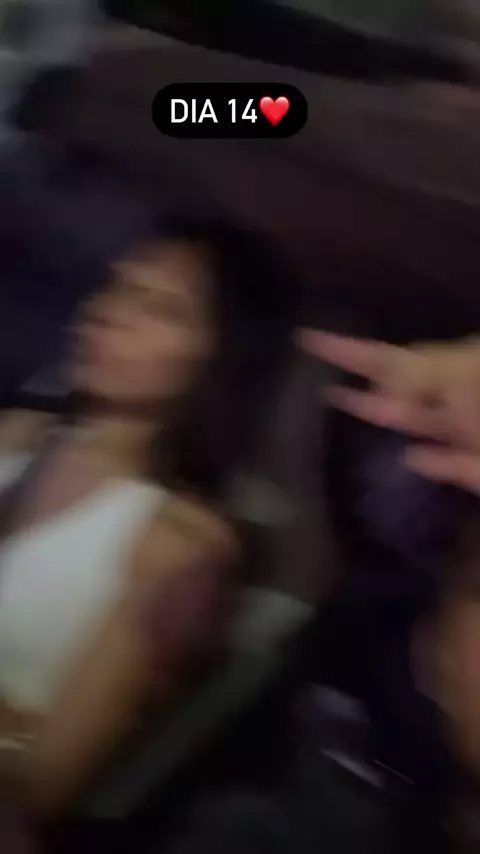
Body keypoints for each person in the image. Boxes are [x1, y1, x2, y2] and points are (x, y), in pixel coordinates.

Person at [0, 214, 293, 825]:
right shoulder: (13, 434)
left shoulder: (181, 543)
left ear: (219, 357)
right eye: (117, 287)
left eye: (160, 308)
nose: (109, 312)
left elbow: (48, 783)